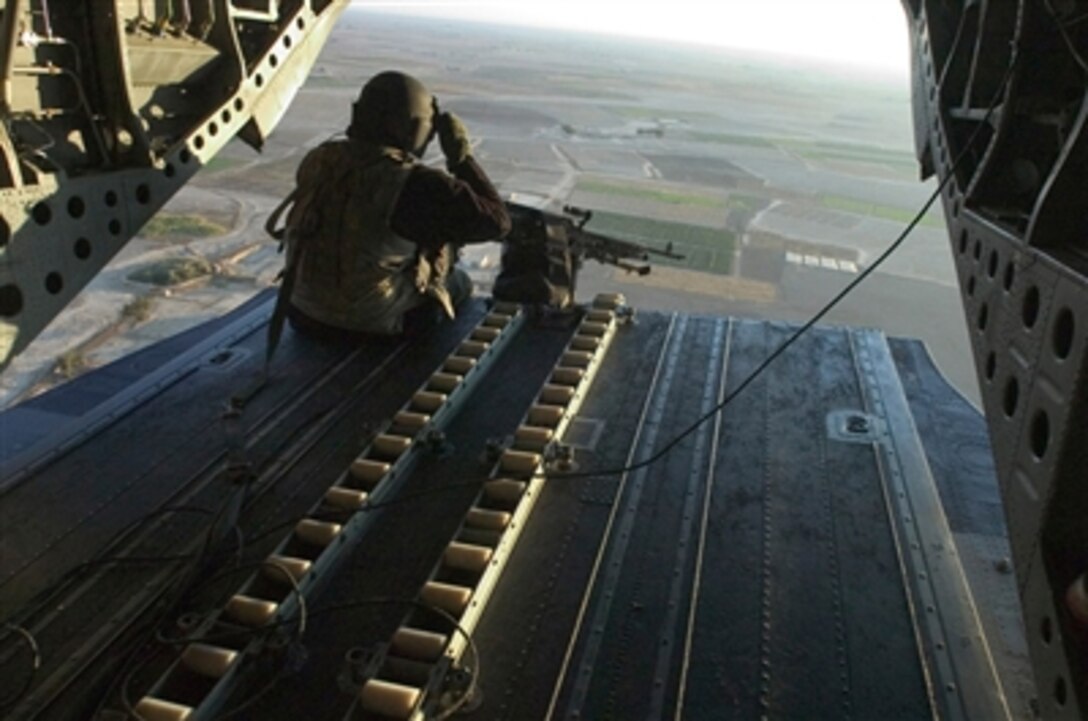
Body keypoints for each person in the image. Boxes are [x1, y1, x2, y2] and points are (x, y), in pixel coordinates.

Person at [276, 71, 510, 341]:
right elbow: (498, 223)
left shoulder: (318, 159)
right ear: (416, 129)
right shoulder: (416, 183)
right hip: (373, 327)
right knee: (458, 283)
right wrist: (461, 159)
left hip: (302, 315)